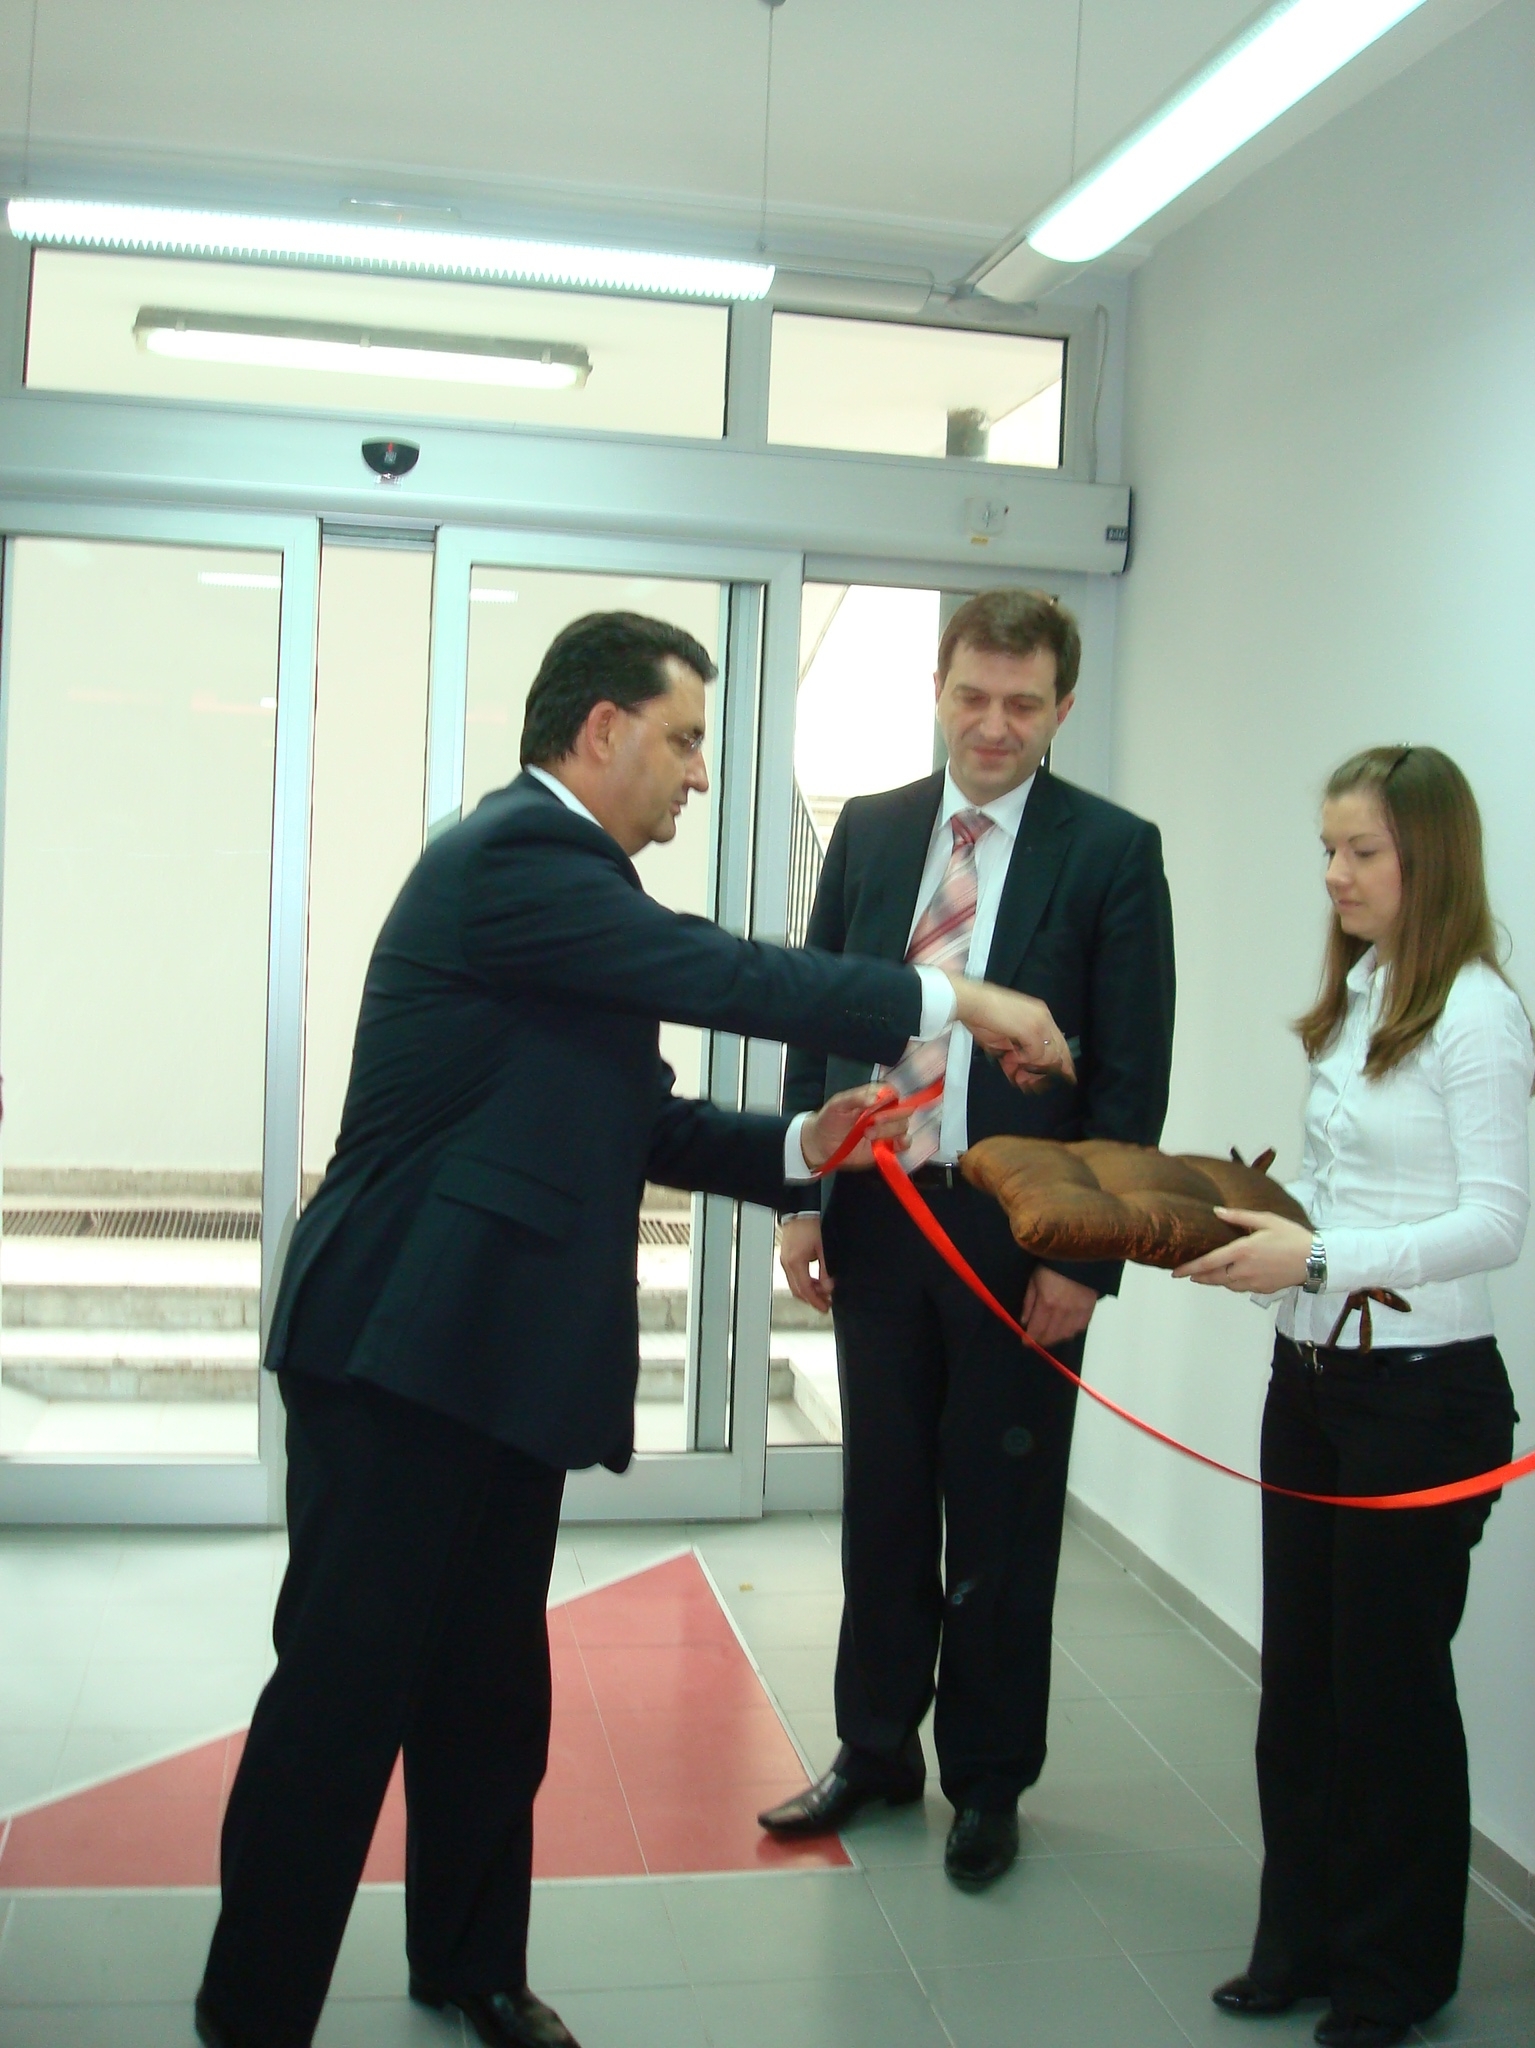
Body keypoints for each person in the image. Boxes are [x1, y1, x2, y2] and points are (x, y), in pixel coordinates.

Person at [194, 610, 1073, 2048]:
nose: (699, 773)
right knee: (342, 1705)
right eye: (684, 739)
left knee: (490, 1693)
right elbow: (727, 974)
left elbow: (640, 1117)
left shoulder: (568, 893)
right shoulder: (517, 860)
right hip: (399, 1351)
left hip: (497, 1361)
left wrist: (805, 1142)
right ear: (601, 729)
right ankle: (251, 2014)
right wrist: (957, 996)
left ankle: (470, 1967)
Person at [760, 588, 1176, 1887]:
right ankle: (875, 1748)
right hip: (881, 1220)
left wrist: (1082, 1259)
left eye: (1022, 704)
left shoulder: (1112, 852)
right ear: (937, 690)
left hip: (1020, 1242)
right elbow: (818, 1017)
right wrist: (801, 1198)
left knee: (1002, 1522)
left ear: (1063, 707)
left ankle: (989, 1781)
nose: (994, 726)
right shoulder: (875, 830)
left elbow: (1131, 1079)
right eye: (972, 697)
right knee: (883, 1505)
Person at [1176, 746, 1532, 2048]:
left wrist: (1316, 1258)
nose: (1334, 874)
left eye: (1361, 851)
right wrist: (1262, 1245)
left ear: (1428, 857)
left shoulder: (1478, 1013)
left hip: (1423, 1400)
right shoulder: (1365, 991)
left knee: (1388, 1695)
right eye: (1327, 849)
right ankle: (1301, 1944)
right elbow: (1345, 1196)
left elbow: (1494, 1224)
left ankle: (1395, 1976)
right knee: (1304, 1687)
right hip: (1315, 1379)